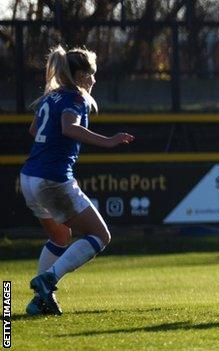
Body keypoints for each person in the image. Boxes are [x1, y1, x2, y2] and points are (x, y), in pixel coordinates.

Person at [21, 45, 135, 315]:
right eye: (92, 74)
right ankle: (48, 280)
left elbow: (34, 129)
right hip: (53, 179)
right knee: (100, 235)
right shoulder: (76, 97)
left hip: (29, 177)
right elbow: (68, 127)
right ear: (82, 75)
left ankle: (40, 300)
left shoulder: (51, 97)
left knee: (60, 236)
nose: (94, 80)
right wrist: (108, 141)